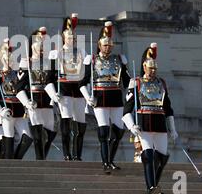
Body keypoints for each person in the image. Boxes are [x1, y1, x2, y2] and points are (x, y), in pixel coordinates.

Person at [122, 43, 178, 194]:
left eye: (155, 68)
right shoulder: (137, 83)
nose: (153, 71)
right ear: (144, 66)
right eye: (150, 67)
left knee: (161, 157)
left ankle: (155, 185)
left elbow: (168, 108)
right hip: (144, 124)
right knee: (148, 155)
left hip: (160, 125)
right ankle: (150, 187)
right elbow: (127, 109)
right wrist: (131, 125)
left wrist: (173, 128)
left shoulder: (162, 84)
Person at [79, 21, 130, 172]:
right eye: (105, 45)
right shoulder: (92, 60)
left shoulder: (119, 60)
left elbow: (126, 81)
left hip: (115, 97)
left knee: (118, 131)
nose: (108, 47)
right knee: (103, 130)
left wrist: (131, 80)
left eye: (110, 45)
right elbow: (83, 82)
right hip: (100, 98)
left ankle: (111, 159)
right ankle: (105, 162)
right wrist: (87, 96)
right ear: (99, 45)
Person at [16, 27, 57, 160]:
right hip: (34, 100)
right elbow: (19, 87)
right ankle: (40, 159)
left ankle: (43, 155)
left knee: (51, 131)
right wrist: (27, 102)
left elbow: (54, 81)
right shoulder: (26, 63)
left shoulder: (49, 63)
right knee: (38, 131)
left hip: (47, 99)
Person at [51, 13, 88, 161]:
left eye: (73, 37)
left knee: (80, 124)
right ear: (63, 38)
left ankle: (77, 154)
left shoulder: (81, 52)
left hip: (78, 90)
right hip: (65, 89)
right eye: (68, 37)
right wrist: (53, 93)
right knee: (66, 122)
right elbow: (51, 77)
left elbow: (87, 74)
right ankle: (66, 153)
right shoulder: (57, 53)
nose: (71, 40)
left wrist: (88, 93)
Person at [0, 38, 33, 159]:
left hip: (19, 109)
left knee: (28, 136)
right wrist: (1, 110)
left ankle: (16, 160)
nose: (8, 56)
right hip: (6, 109)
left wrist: (27, 102)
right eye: (5, 54)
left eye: (9, 54)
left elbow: (23, 88)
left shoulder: (17, 73)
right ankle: (9, 163)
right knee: (9, 137)